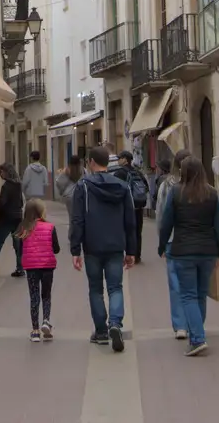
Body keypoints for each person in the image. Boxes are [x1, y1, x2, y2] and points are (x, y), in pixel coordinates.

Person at [68, 146, 137, 351]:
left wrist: (75, 250)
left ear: (90, 162)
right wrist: (131, 250)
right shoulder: (122, 186)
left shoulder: (83, 186)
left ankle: (100, 332)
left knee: (96, 289)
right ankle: (115, 323)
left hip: (92, 246)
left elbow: (77, 220)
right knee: (115, 287)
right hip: (116, 245)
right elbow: (130, 221)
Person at [157, 155, 219, 357]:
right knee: (200, 294)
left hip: (183, 251)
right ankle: (198, 330)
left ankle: (197, 338)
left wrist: (161, 246)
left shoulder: (176, 192)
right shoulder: (212, 194)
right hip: (207, 252)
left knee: (188, 295)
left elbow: (166, 222)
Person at [154, 150, 190, 339]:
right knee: (194, 285)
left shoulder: (167, 185)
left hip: (173, 241)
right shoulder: (203, 186)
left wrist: (161, 242)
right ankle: (195, 322)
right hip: (196, 242)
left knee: (176, 284)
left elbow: (160, 215)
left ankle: (181, 325)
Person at [16, 197, 60, 342]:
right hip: (48, 266)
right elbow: (56, 249)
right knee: (46, 295)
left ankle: (35, 331)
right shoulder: (50, 227)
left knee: (34, 297)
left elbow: (20, 250)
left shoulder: (23, 228)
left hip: (31, 267)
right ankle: (46, 321)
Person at [112, 150, 149, 263]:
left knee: (125, 231)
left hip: (125, 207)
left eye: (120, 158)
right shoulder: (138, 172)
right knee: (137, 231)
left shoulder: (119, 173)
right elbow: (146, 187)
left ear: (125, 159)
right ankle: (137, 256)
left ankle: (127, 254)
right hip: (138, 207)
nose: (118, 160)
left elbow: (115, 190)